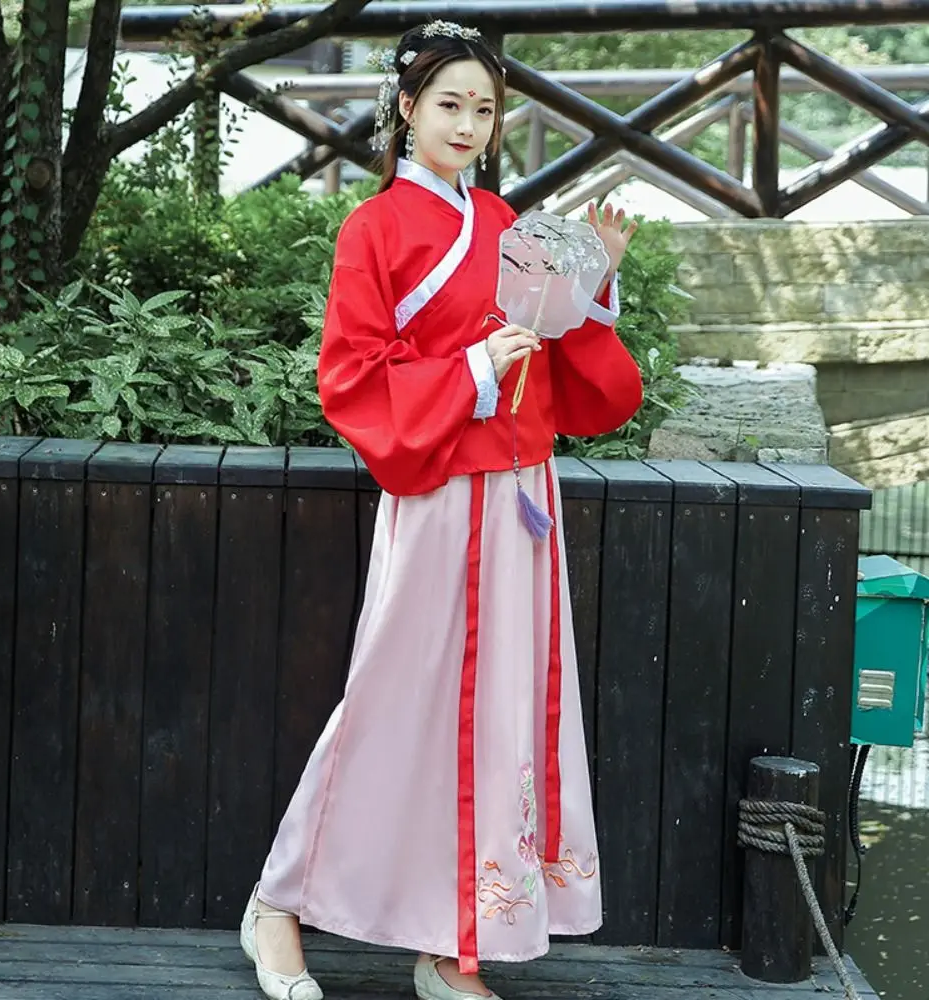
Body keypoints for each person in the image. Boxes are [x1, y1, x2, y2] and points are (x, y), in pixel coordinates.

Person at [240, 19, 643, 1000]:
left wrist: (589, 282)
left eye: (486, 108)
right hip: (437, 494)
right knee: (392, 702)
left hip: (521, 499)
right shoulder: (374, 228)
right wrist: (470, 367)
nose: (469, 124)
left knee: (502, 718)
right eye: (450, 104)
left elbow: (589, 391)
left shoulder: (510, 225)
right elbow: (350, 378)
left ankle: (450, 944)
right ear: (408, 109)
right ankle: (276, 902)